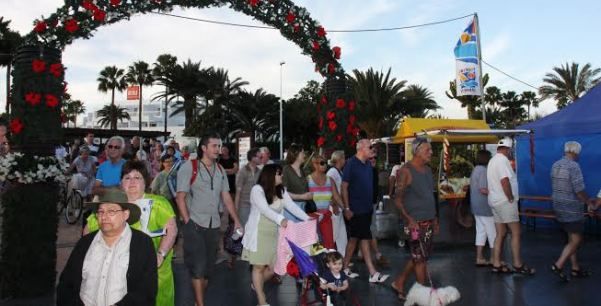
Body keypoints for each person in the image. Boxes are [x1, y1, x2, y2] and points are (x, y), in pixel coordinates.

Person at [86, 160, 178, 305]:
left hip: (155, 273)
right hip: (117, 276)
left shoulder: (158, 203)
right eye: (127, 178)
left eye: (137, 177)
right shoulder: (112, 204)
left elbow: (171, 230)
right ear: (121, 182)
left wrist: (160, 254)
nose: (132, 182)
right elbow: (89, 229)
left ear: (145, 182)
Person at [56, 189, 157, 306]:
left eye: (111, 211)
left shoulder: (143, 244)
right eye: (101, 212)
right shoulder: (85, 243)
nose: (104, 217)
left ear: (125, 214)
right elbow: (66, 284)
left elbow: (146, 291)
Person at [176, 133, 243, 306]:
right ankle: (201, 304)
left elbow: (226, 197)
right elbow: (180, 197)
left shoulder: (220, 170)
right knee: (198, 268)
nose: (218, 150)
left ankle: (198, 302)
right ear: (204, 148)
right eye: (214, 146)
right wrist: (188, 222)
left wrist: (236, 220)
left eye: (219, 147)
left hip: (214, 225)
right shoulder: (189, 167)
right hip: (195, 225)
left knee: (207, 271)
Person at [241, 164, 310, 306]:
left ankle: (256, 284)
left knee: (275, 269)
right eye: (279, 174)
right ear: (271, 175)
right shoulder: (257, 190)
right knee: (259, 267)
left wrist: (308, 219)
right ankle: (261, 299)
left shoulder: (281, 191)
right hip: (259, 233)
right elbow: (265, 210)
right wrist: (281, 219)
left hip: (274, 234)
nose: (282, 176)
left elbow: (292, 207)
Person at [391, 137, 439, 301]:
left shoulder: (427, 171)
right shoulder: (405, 171)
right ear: (417, 151)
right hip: (415, 224)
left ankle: (399, 282)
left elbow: (431, 196)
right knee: (420, 260)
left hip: (429, 221)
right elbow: (397, 199)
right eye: (428, 150)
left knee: (421, 257)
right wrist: (409, 219)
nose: (431, 153)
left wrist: (435, 218)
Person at [341, 139, 389, 283]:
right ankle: (372, 272)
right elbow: (344, 187)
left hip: (367, 208)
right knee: (365, 238)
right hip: (356, 209)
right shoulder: (351, 164)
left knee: (354, 239)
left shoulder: (368, 164)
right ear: (361, 149)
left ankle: (344, 268)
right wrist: (347, 207)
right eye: (370, 147)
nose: (372, 150)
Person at [487, 137, 535, 275]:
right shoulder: (502, 161)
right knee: (516, 232)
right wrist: (510, 198)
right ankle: (517, 264)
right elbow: (505, 181)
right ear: (508, 149)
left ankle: (496, 263)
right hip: (504, 202)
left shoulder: (492, 160)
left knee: (500, 233)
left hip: (495, 201)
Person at [550, 141, 594, 281]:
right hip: (571, 208)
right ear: (576, 152)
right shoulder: (574, 166)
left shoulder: (555, 164)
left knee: (570, 237)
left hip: (558, 205)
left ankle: (575, 268)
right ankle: (558, 265)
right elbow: (579, 190)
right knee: (576, 239)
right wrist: (589, 203)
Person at [308, 155, 343, 250]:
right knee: (315, 247)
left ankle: (328, 264)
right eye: (322, 163)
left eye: (325, 163)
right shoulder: (307, 180)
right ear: (314, 165)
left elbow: (336, 197)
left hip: (326, 217)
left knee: (329, 245)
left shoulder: (330, 180)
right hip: (312, 218)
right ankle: (318, 264)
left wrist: (346, 208)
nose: (325, 165)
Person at [469, 150, 495, 266]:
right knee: (492, 233)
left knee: (480, 232)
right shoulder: (484, 171)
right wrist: (495, 192)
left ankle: (479, 258)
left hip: (476, 206)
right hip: (485, 207)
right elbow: (483, 189)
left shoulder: (475, 170)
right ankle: (495, 259)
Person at [282, 144, 313, 221]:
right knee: (293, 232)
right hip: (290, 209)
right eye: (302, 153)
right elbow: (283, 193)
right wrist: (302, 196)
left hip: (303, 207)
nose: (304, 155)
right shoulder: (286, 170)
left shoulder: (302, 170)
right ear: (296, 154)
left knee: (301, 232)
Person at [326, 150, 348, 256]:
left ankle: (342, 258)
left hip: (339, 207)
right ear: (339, 159)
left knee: (342, 236)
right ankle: (327, 257)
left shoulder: (339, 172)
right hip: (334, 208)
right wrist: (334, 204)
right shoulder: (332, 172)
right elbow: (329, 190)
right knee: (334, 235)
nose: (345, 160)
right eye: (344, 158)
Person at [235, 147, 262, 227]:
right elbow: (238, 192)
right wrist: (236, 209)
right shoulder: (242, 171)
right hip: (244, 205)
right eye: (260, 157)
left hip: (256, 205)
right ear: (253, 158)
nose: (261, 159)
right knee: (244, 229)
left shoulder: (259, 172)